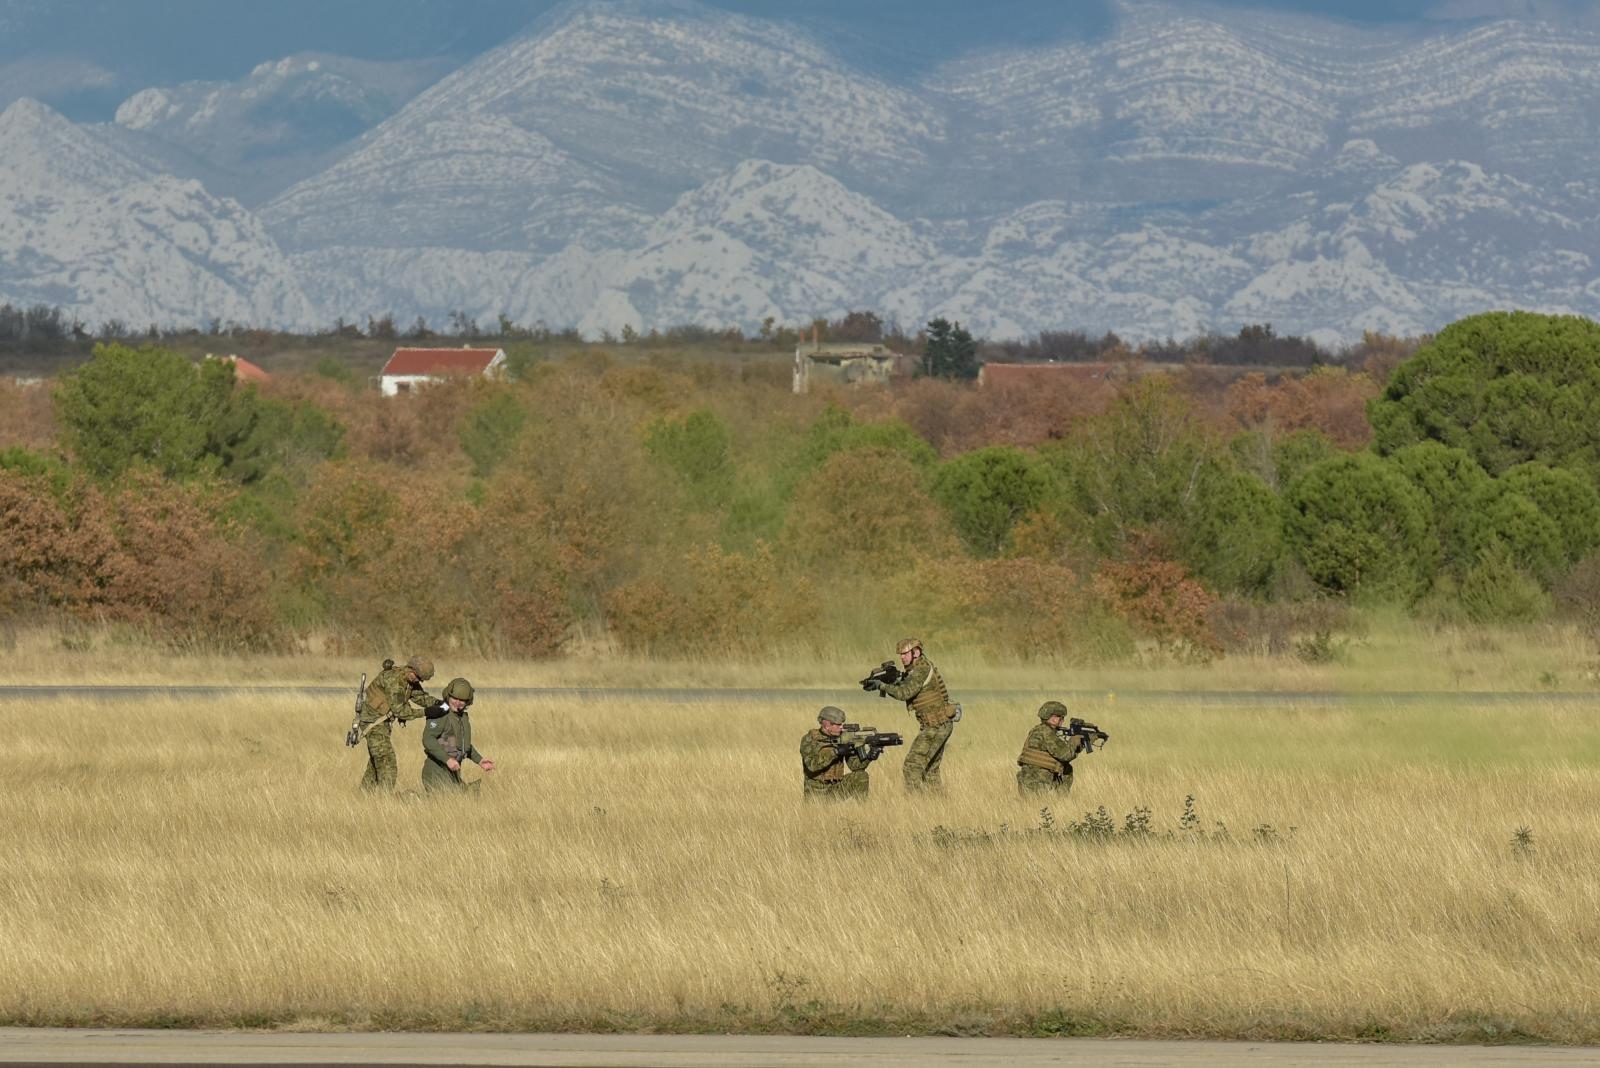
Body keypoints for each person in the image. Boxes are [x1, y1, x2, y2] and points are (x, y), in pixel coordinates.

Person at [868, 637, 958, 793]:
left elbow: (904, 693)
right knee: (930, 769)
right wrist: (890, 682)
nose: (902, 657)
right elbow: (907, 686)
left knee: (912, 766)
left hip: (935, 725)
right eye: (900, 655)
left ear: (916, 652)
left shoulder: (920, 670)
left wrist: (882, 685)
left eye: (905, 654)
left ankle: (916, 803)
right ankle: (937, 805)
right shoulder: (918, 669)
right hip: (940, 724)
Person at [357, 655, 438, 791]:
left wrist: (439, 704)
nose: (419, 681)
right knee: (387, 762)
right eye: (418, 678)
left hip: (381, 723)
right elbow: (401, 711)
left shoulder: (409, 680)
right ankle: (385, 800)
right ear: (411, 670)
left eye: (421, 680)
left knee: (376, 763)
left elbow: (420, 697)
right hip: (373, 723)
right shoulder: (394, 680)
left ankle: (364, 796)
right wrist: (426, 712)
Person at [421, 677, 495, 792]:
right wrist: (447, 759)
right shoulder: (441, 713)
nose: (457, 702)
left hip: (453, 772)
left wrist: (480, 760)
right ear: (448, 695)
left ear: (468, 702)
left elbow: (464, 746)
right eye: (454, 698)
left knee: (469, 795)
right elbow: (428, 739)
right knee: (445, 801)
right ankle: (407, 798)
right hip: (436, 770)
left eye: (462, 700)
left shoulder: (462, 718)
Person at [1016, 700, 1087, 795]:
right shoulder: (1047, 733)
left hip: (1029, 779)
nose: (1062, 721)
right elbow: (1066, 755)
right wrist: (1075, 740)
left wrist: (1079, 744)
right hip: (1039, 783)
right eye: (1061, 718)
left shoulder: (1037, 730)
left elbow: (1061, 757)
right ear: (1053, 718)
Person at [800, 706, 872, 799]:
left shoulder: (843, 738)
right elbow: (812, 766)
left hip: (836, 788)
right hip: (816, 793)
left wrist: (869, 756)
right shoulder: (810, 739)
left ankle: (861, 811)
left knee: (861, 776)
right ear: (827, 724)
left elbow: (855, 767)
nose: (842, 727)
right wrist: (836, 752)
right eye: (838, 725)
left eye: (842, 724)